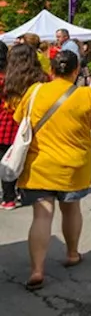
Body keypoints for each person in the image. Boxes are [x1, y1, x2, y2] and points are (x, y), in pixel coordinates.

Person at [11, 48, 91, 289]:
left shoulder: (35, 91)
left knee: (41, 215)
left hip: (40, 165)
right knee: (71, 209)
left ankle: (37, 270)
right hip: (74, 166)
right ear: (76, 71)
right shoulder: (86, 94)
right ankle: (72, 253)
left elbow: (18, 119)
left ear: (51, 70)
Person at [0, 41, 26, 210]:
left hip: (3, 122)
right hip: (13, 121)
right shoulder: (13, 74)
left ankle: (8, 196)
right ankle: (11, 195)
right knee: (11, 158)